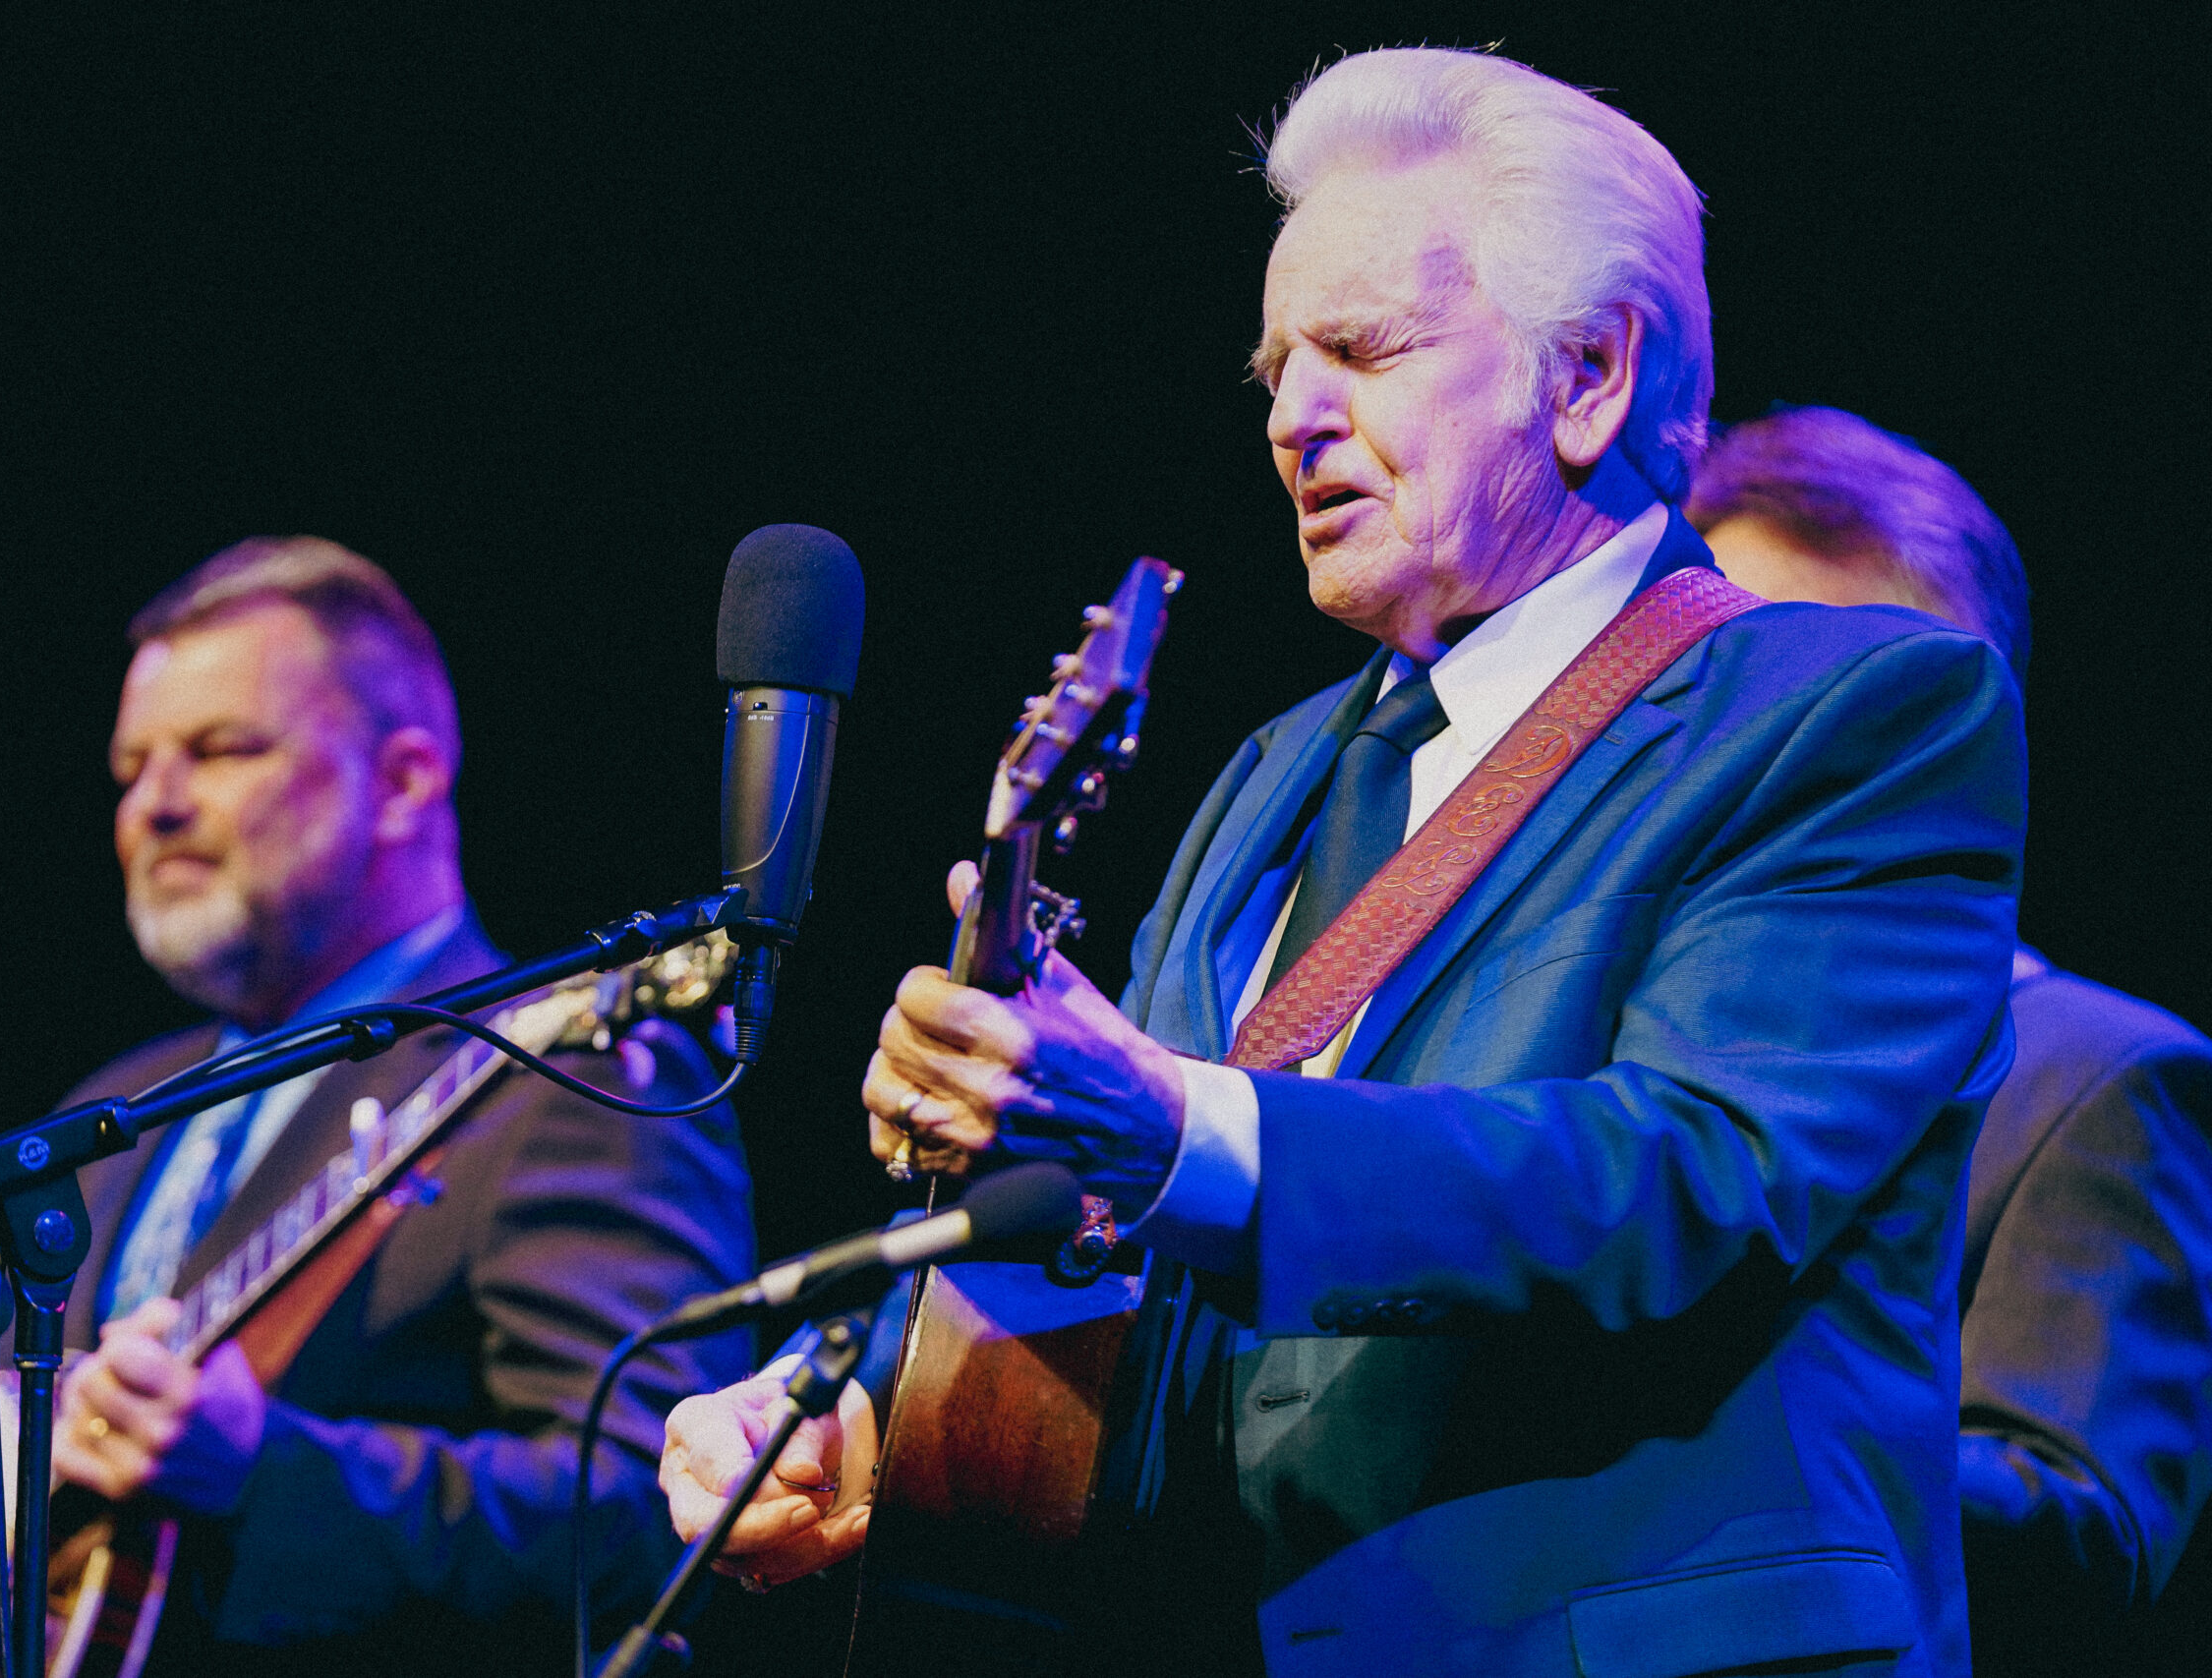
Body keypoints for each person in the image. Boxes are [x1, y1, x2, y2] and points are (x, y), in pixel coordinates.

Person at [663, 47, 2024, 1678]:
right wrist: (855, 1400)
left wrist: (1174, 1126)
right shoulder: (1278, 770)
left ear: (1589, 371)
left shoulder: (1856, 711)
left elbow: (1691, 1176)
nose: (1294, 416)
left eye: (1363, 352)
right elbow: (1132, 1228)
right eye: (1278, 369)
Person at [0, 538, 757, 1675]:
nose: (155, 807)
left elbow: (658, 1503)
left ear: (405, 782)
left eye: (221, 750)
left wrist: (267, 1470)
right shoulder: (125, 1104)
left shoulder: (571, 1077)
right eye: (131, 769)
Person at [1688, 405, 2212, 1677]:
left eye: (1863, 694)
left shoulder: (2096, 1074)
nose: (1789, 746)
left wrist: (1689, 1425)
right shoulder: (1607, 1043)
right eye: (1734, 682)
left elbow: (2084, 1537)